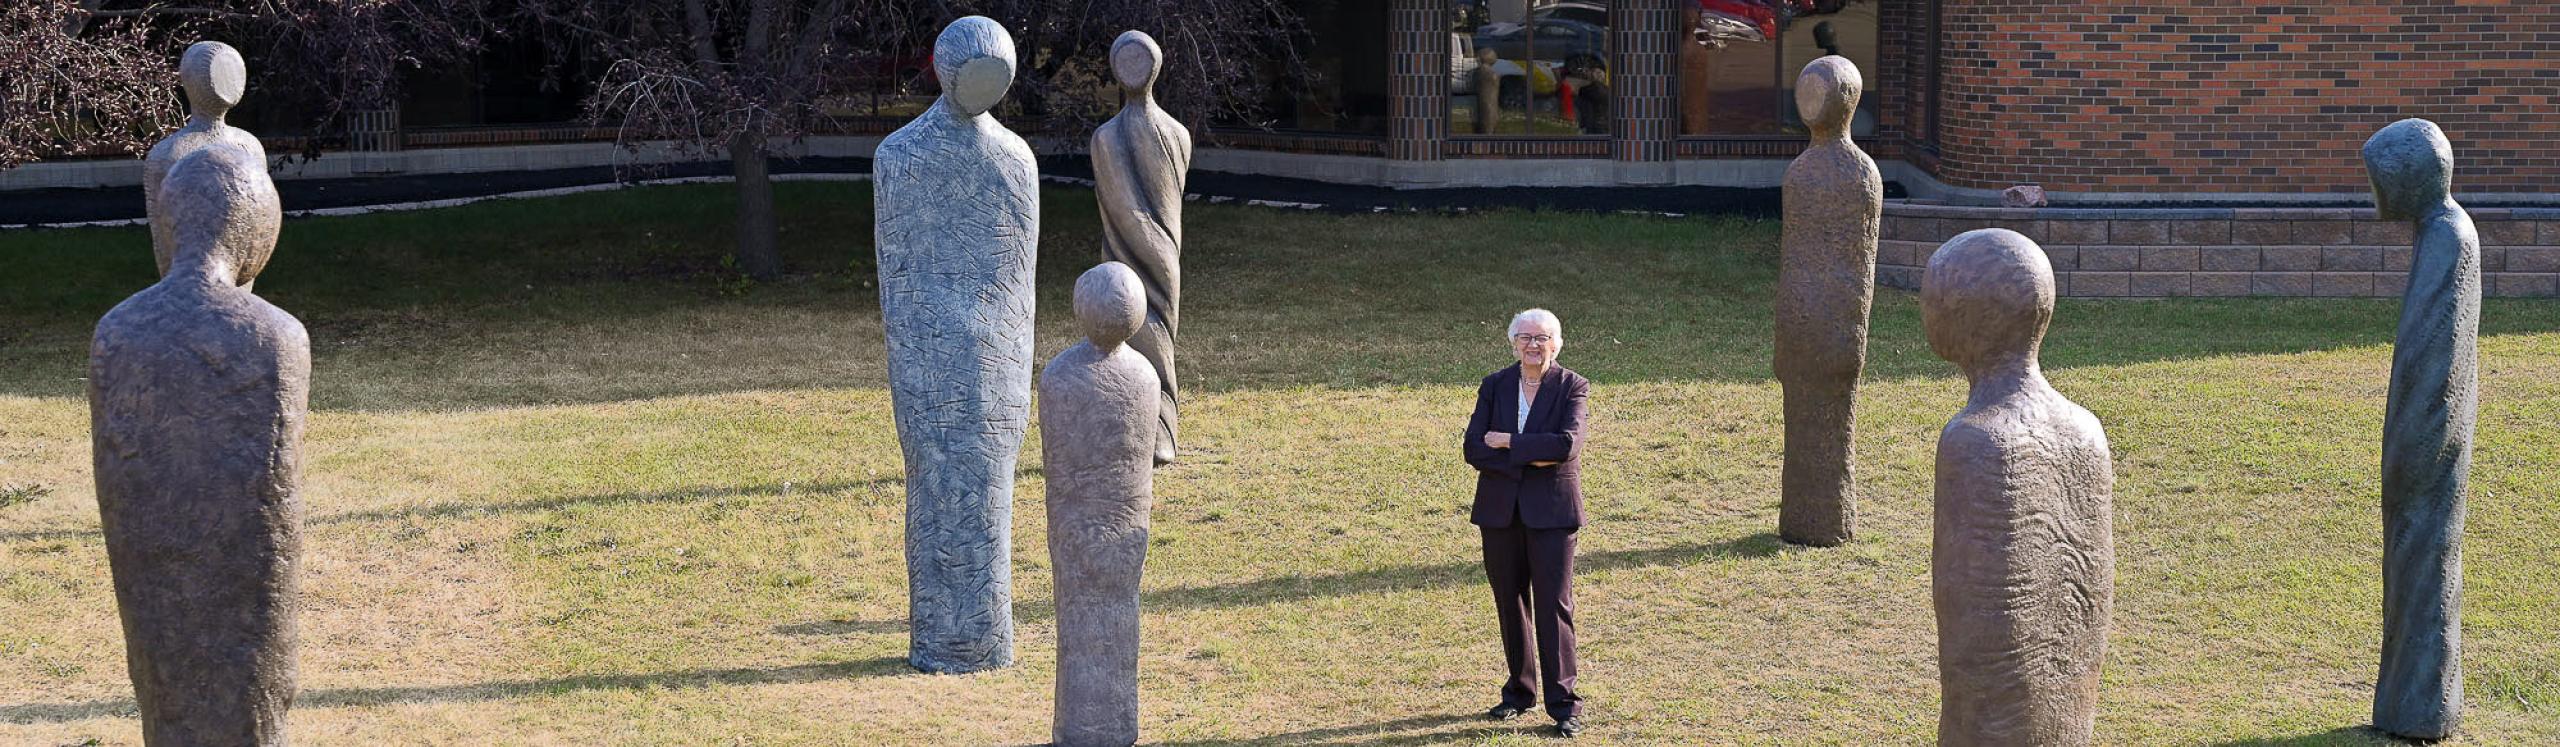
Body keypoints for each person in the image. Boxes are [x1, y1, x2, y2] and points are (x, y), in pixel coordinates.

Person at [1462, 308, 1590, 738]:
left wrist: (1510, 444)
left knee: (1554, 605)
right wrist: (1532, 456)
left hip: (1552, 513)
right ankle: (1519, 692)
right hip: (1500, 513)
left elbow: (1567, 446)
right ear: (1513, 342)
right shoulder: (1495, 385)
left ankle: (1563, 704)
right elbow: (1475, 449)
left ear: (1556, 343)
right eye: (1525, 337)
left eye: (1542, 338)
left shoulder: (1572, 386)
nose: (1533, 345)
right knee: (1510, 603)